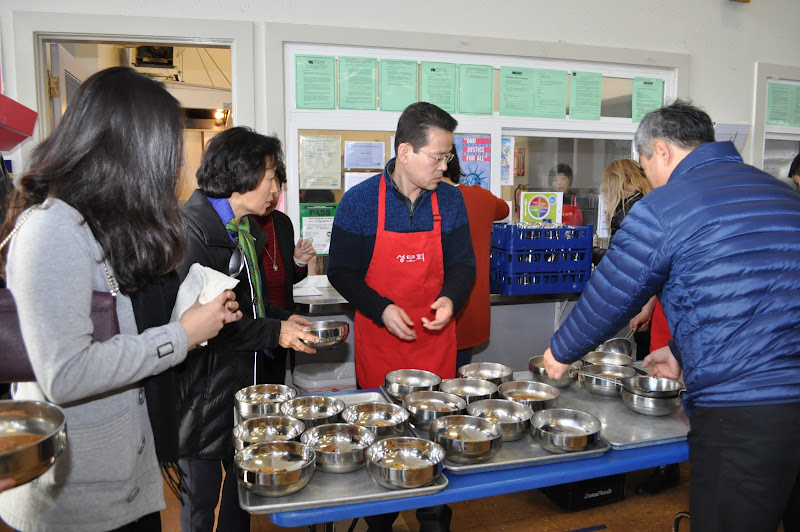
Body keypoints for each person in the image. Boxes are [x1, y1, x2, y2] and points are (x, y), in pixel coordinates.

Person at [0, 67, 241, 532]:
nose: (171, 169)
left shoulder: (94, 226)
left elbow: (120, 331)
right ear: (131, 152)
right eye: (165, 152)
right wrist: (181, 336)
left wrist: (193, 321)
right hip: (80, 500)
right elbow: (67, 374)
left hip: (120, 479)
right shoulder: (52, 231)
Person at [542, 100, 800, 531]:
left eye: (645, 164)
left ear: (660, 150)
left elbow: (614, 291)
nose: (649, 177)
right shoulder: (781, 195)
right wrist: (679, 349)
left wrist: (561, 351)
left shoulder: (669, 205)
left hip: (743, 413)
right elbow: (762, 297)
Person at [328, 102, 476, 532]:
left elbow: (464, 264)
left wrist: (450, 298)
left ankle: (434, 519)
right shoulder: (359, 203)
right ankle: (381, 521)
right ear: (406, 151)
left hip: (435, 346)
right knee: (383, 445)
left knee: (434, 446)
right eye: (438, 156)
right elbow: (341, 271)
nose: (444, 166)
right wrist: (381, 308)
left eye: (448, 156)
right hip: (381, 347)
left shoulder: (449, 201)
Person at [175, 127, 319, 532]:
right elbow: (205, 327)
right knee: (200, 503)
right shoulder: (194, 235)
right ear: (240, 174)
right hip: (202, 396)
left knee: (244, 494)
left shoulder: (243, 228)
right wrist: (275, 333)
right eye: (271, 176)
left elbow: (248, 302)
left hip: (241, 388)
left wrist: (280, 318)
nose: (276, 188)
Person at [441, 146, 509, 370]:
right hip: (470, 307)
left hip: (432, 311)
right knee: (458, 385)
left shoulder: (421, 200)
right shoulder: (480, 197)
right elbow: (504, 210)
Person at [253, 158, 316, 378]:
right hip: (257, 324)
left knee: (277, 383)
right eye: (269, 185)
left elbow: (290, 277)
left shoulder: (282, 222)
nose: (273, 194)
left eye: (278, 188)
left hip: (285, 319)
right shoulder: (243, 223)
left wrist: (299, 261)